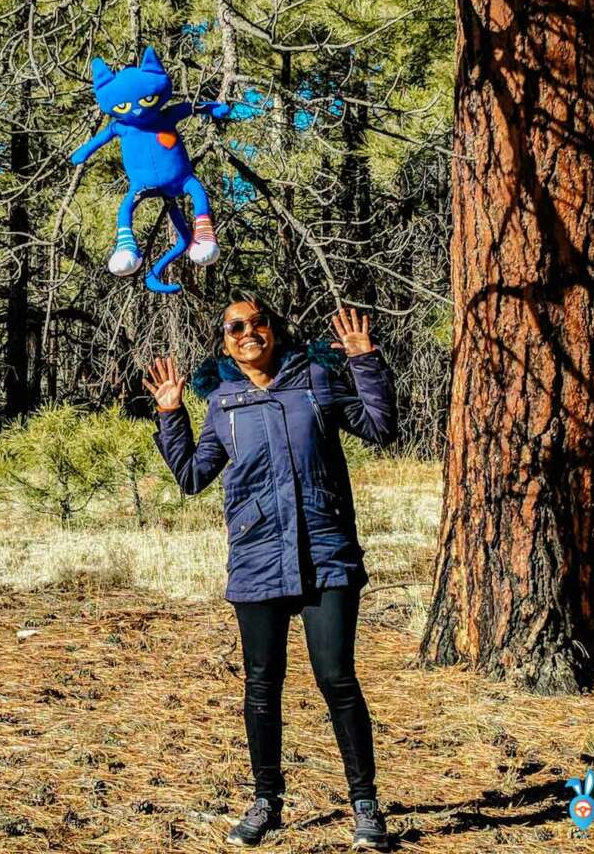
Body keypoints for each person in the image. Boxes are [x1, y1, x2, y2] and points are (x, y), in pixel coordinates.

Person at [144, 289, 397, 851]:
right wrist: (170, 414)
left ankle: (365, 806)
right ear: (225, 342)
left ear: (272, 330)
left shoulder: (314, 382)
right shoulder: (223, 403)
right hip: (258, 561)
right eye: (235, 327)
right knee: (262, 686)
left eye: (256, 323)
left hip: (326, 556)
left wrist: (363, 361)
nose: (248, 332)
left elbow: (381, 429)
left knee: (337, 679)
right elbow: (190, 476)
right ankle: (266, 801)